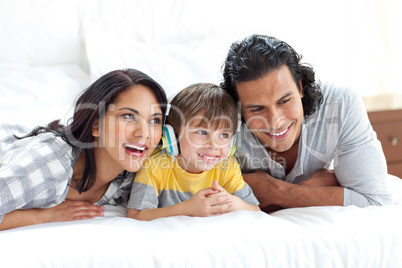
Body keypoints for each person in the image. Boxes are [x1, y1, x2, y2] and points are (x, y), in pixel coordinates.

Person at [220, 34, 392, 212]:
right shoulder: (220, 122)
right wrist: (323, 184)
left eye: (284, 101)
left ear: (300, 87)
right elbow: (205, 199)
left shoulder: (340, 104)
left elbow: (375, 202)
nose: (275, 121)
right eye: (257, 109)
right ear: (238, 108)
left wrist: (275, 192)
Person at [0, 68, 167, 230]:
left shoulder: (137, 173)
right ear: (96, 125)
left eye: (155, 120)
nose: (144, 133)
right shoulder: (49, 164)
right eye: (128, 116)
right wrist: (42, 216)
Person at [127, 83, 260, 221]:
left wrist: (232, 202)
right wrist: (188, 209)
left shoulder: (227, 167)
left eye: (224, 135)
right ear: (172, 135)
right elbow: (136, 215)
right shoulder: (154, 165)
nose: (213, 145)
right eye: (202, 132)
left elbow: (255, 210)